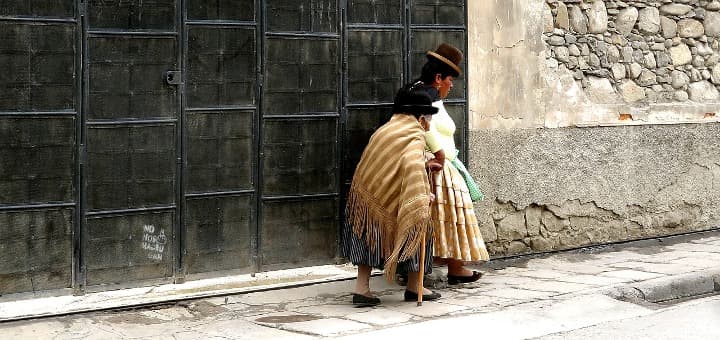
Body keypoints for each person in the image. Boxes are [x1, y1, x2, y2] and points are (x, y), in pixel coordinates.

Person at [342, 86, 442, 307]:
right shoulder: (414, 136)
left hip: (367, 196)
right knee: (418, 221)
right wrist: (424, 195)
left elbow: (392, 163)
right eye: (428, 119)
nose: (429, 124)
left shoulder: (387, 129)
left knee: (368, 234)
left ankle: (362, 288)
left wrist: (424, 163)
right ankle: (415, 286)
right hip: (386, 196)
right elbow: (409, 164)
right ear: (421, 118)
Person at [417, 43, 490, 284]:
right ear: (438, 78)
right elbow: (424, 126)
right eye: (450, 79)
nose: (452, 84)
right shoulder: (423, 96)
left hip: (447, 164)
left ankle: (456, 267)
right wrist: (438, 155)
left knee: (451, 218)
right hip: (437, 167)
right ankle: (419, 272)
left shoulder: (432, 96)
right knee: (436, 219)